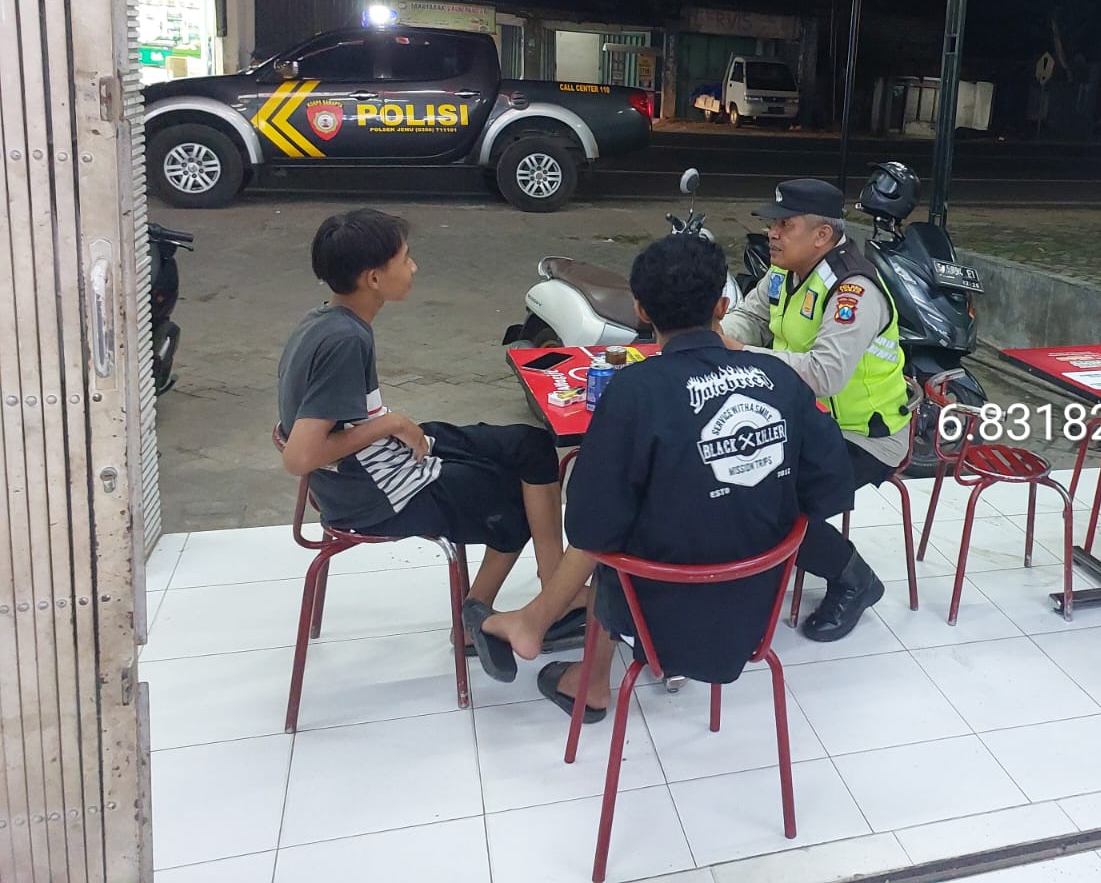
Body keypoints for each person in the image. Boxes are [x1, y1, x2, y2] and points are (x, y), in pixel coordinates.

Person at [480, 233, 852, 715]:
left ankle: (582, 675)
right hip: (760, 600)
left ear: (641, 311)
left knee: (615, 533)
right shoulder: (781, 379)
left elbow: (591, 527)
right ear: (722, 306)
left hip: (657, 609)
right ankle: (537, 625)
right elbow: (829, 490)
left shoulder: (634, 391)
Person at [275, 208, 582, 682]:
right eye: (405, 258)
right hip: (375, 492)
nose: (414, 266)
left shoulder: (325, 320)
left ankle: (555, 587)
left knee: (532, 445)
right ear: (373, 278)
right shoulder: (344, 342)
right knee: (513, 503)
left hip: (378, 460)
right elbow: (300, 456)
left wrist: (389, 427)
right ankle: (473, 618)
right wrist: (391, 423)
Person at [717, 178, 910, 642]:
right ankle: (747, 566)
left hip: (864, 436)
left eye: (785, 225)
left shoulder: (853, 291)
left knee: (766, 501)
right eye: (773, 223)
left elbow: (824, 375)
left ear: (822, 235)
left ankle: (854, 579)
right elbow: (752, 314)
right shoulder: (785, 270)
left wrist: (739, 353)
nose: (772, 233)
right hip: (805, 423)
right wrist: (719, 336)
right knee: (725, 473)